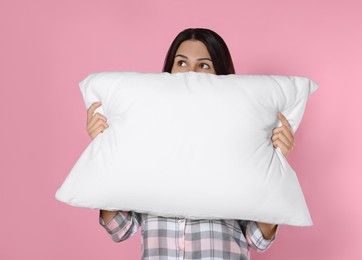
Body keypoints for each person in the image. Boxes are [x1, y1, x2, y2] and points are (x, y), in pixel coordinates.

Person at [86, 28, 295, 260]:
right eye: (182, 63)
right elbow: (120, 228)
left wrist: (275, 162)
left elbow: (258, 238)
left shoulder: (242, 134)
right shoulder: (146, 133)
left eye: (204, 65)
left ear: (221, 74)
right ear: (169, 71)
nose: (191, 73)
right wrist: (104, 149)